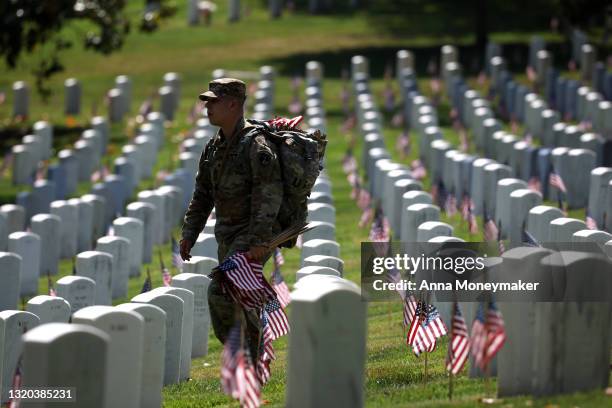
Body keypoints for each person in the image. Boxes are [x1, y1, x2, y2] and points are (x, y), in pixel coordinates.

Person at [179, 77, 283, 360]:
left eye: (214, 101)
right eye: (206, 102)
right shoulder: (213, 148)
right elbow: (202, 195)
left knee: (221, 293)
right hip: (226, 237)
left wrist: (260, 240)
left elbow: (268, 194)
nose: (207, 107)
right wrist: (190, 233)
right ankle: (250, 358)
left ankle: (249, 358)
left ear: (233, 103)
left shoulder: (256, 145)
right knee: (240, 300)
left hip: (250, 237)